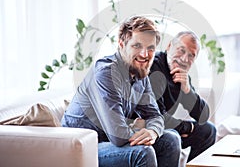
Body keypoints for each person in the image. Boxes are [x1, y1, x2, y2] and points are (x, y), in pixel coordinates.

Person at [61, 16, 181, 167]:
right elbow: (118, 135)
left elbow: (155, 116)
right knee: (143, 152)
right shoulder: (106, 73)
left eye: (150, 48)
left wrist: (152, 132)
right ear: (121, 44)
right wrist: (142, 132)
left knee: (171, 140)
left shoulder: (140, 74)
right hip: (82, 148)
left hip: (108, 142)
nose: (145, 54)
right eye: (137, 46)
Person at [150, 31, 216, 162]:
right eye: (181, 50)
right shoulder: (154, 68)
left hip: (166, 126)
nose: (185, 59)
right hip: (149, 128)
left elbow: (203, 116)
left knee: (208, 130)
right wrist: (187, 127)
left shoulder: (181, 75)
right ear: (169, 46)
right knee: (172, 136)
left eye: (191, 56)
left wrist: (187, 90)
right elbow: (156, 116)